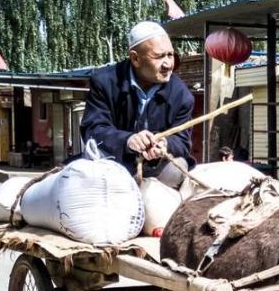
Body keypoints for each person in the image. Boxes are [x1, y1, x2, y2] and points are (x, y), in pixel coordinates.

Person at [80, 21, 194, 188]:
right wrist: (128, 140)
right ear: (135, 58)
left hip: (156, 168)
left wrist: (164, 144)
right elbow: (93, 129)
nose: (168, 64)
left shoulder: (181, 95)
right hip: (112, 163)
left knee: (177, 171)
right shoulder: (104, 82)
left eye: (170, 55)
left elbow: (182, 141)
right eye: (159, 56)